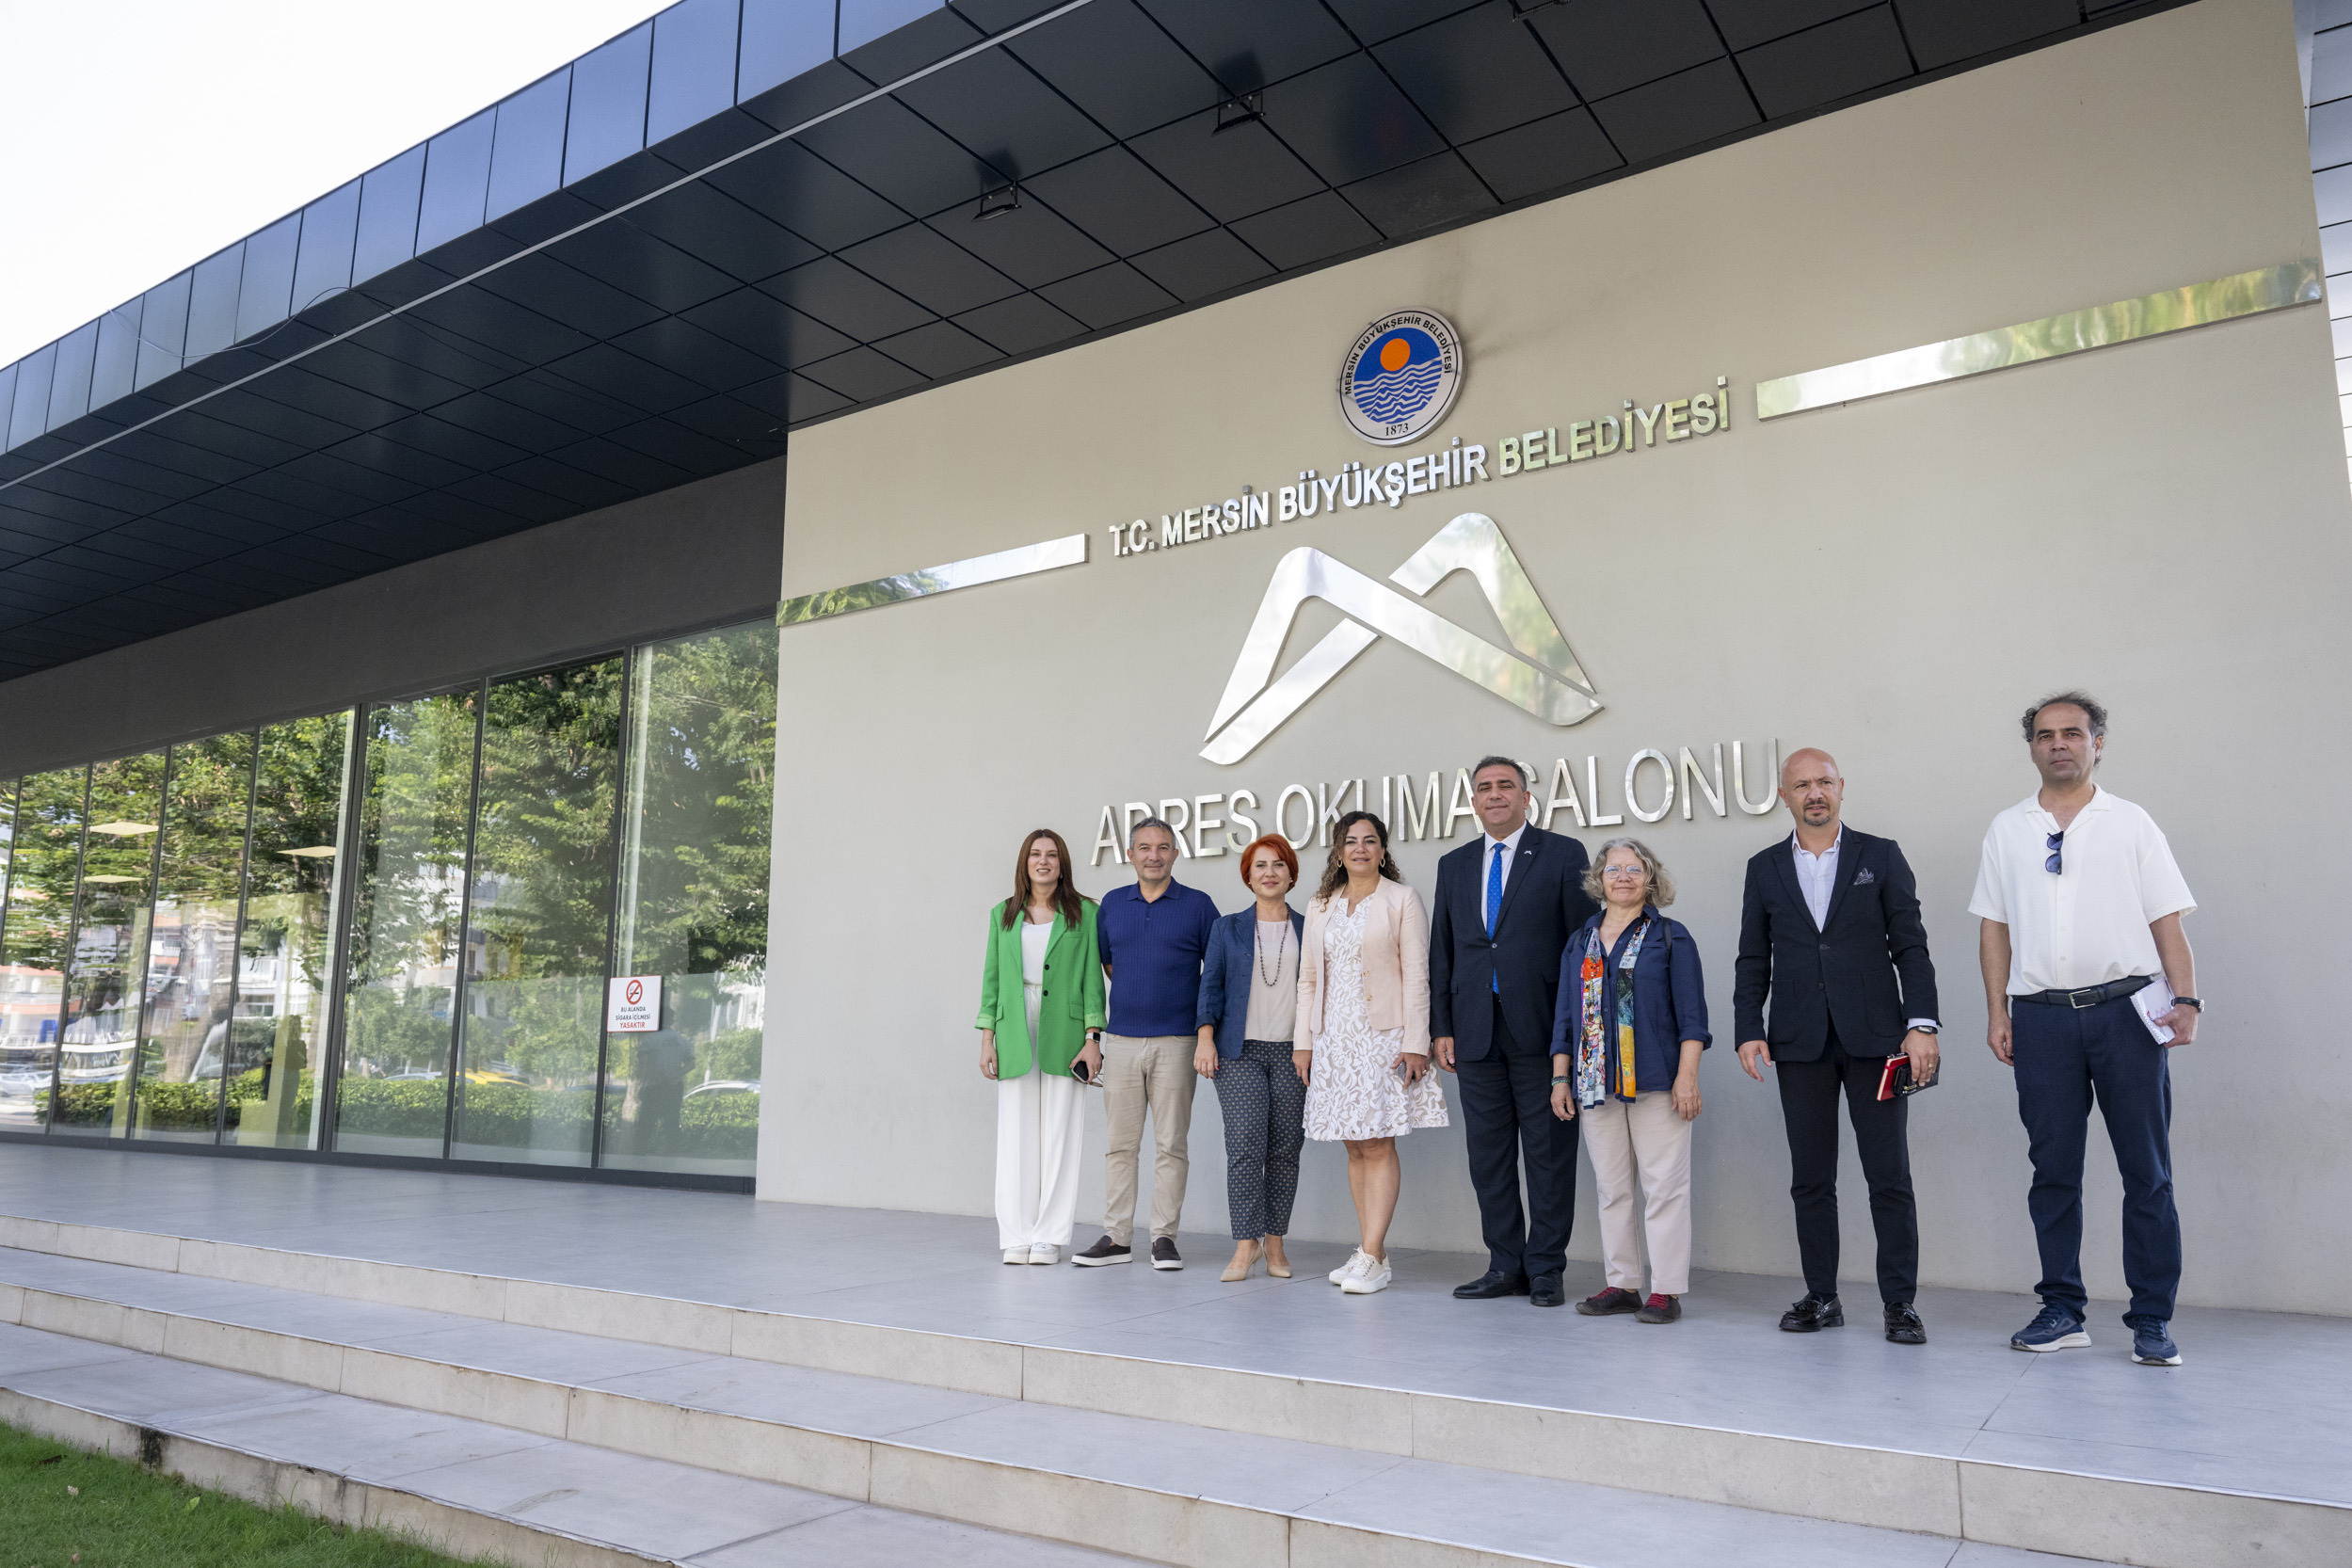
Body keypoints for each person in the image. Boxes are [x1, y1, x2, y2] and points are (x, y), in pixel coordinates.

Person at [1971, 693, 2200, 1367]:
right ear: (2032, 748)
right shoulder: (2007, 829)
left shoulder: (2130, 823)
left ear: (2096, 743)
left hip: (2126, 1014)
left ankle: (2151, 1318)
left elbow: (2166, 920)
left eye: (2072, 733)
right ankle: (2062, 1309)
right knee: (2052, 1171)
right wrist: (1997, 1012)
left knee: (2146, 1171)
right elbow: (1993, 928)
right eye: (2045, 735)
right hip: (2040, 1019)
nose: (2058, 744)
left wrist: (2186, 999)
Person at [1733, 748, 1940, 1345]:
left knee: (1889, 1177)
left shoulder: (1881, 855)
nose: (1815, 793)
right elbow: (1753, 956)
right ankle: (1822, 1296)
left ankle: (1900, 1304)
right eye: (1802, 785)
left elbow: (1911, 946)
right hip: (1799, 1042)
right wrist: (1749, 1027)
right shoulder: (1764, 867)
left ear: (1841, 787)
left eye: (1823, 782)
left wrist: (1922, 1024)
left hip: (1877, 1039)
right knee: (1811, 1178)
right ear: (1784, 796)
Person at [1429, 756, 1598, 1308]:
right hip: (1474, 1032)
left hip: (1542, 1031)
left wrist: (1574, 1031)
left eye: (1506, 786)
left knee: (1549, 1155)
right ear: (1474, 801)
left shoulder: (1563, 854)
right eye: (1485, 787)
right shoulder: (1454, 864)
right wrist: (1441, 1026)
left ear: (1527, 797)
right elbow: (1443, 951)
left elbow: (1582, 947)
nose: (1495, 794)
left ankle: (1545, 1267)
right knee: (1489, 1157)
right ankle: (1505, 1264)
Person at [1548, 839, 1708, 1323]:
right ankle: (1622, 1284)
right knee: (1612, 1189)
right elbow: (1565, 1019)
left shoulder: (1671, 937)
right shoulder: (1580, 941)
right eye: (1614, 869)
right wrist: (1560, 1078)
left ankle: (1666, 1291)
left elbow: (1693, 1018)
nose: (1623, 877)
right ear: (1599, 879)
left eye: (1634, 870)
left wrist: (1687, 1078)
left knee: (1664, 1188)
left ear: (1649, 879)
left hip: (1658, 1081)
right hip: (1595, 1085)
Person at [1300, 811, 1445, 1296]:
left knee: (1378, 1142)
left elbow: (1418, 974)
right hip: (1333, 1038)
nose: (1359, 848)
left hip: (1384, 1037)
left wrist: (1416, 1042)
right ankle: (1372, 1254)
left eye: (1369, 841)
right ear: (1338, 852)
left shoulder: (1402, 899)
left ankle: (1371, 1252)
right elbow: (1308, 979)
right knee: (1354, 1144)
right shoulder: (1320, 904)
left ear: (1383, 850)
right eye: (1350, 841)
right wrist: (1304, 1043)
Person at [1074, 818, 1220, 1271]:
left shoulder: (1198, 906)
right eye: (1144, 847)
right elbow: (1108, 965)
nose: (1153, 856)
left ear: (1175, 854)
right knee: (1120, 1146)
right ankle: (1117, 1238)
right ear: (1131, 855)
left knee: (1171, 1145)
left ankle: (1163, 1239)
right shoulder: (1113, 905)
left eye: (1162, 847)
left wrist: (1205, 1033)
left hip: (1178, 1042)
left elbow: (1215, 972)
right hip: (1121, 1041)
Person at [976, 828, 1106, 1265]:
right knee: (1015, 1132)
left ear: (1062, 864)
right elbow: (992, 980)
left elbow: (1093, 981)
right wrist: (987, 1038)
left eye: (1052, 855)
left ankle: (1049, 1235)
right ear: (1025, 862)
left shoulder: (1085, 913)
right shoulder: (1003, 914)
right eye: (1036, 854)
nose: (1044, 861)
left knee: (1060, 1132)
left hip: (1065, 1029)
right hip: (1014, 1025)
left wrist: (1093, 1038)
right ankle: (1016, 1234)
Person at [1196, 835, 1307, 1283]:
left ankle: (1274, 1243)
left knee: (1285, 1149)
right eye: (1260, 865)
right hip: (1238, 1052)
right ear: (1248, 876)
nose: (1269, 873)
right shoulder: (1227, 928)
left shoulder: (1310, 927)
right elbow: (1211, 986)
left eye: (1278, 865)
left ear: (1291, 874)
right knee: (1244, 1146)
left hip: (1294, 1053)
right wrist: (1205, 1039)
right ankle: (1246, 1243)